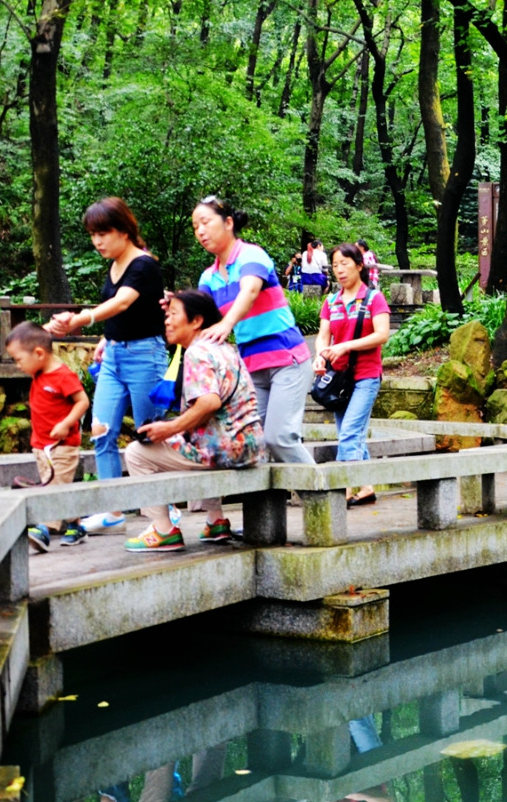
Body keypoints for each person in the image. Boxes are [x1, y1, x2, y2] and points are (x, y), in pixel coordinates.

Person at [47, 197, 169, 536]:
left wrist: (81, 319)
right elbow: (121, 312)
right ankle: (112, 508)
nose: (97, 241)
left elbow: (124, 301)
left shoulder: (143, 265)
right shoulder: (114, 264)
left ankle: (164, 504)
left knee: (150, 434)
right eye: (93, 235)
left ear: (124, 231)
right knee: (100, 430)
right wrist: (104, 337)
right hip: (114, 356)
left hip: (146, 355)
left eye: (103, 233)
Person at [123, 290, 265, 552]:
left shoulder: (197, 353)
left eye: (173, 314)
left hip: (224, 450)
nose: (166, 320)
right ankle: (216, 521)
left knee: (136, 453)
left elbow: (209, 402)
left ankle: (163, 530)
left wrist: (169, 428)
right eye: (167, 314)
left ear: (197, 321)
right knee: (193, 438)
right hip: (249, 446)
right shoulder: (225, 348)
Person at [191, 197, 315, 466]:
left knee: (279, 437)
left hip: (287, 361)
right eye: (195, 226)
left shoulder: (251, 255)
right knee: (249, 440)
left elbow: (250, 291)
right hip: (250, 368)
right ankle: (270, 508)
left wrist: (226, 325)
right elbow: (197, 318)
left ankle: (323, 496)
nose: (200, 231)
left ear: (228, 223)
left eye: (205, 222)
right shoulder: (208, 277)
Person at [313, 243, 390, 507]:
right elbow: (323, 336)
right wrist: (320, 356)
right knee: (351, 432)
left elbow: (382, 335)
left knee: (348, 433)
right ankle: (366, 487)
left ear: (359, 265)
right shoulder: (331, 301)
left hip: (367, 375)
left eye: (344, 263)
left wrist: (345, 346)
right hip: (339, 380)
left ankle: (342, 492)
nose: (339, 270)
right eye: (335, 265)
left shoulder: (373, 298)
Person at [6, 322, 90, 551]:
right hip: (41, 445)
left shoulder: (63, 375)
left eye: (18, 359)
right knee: (57, 486)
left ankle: (44, 528)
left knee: (53, 488)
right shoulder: (39, 371)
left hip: (63, 445)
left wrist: (65, 424)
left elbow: (82, 401)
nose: (17, 365)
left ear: (39, 354)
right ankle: (76, 525)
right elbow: (36, 336)